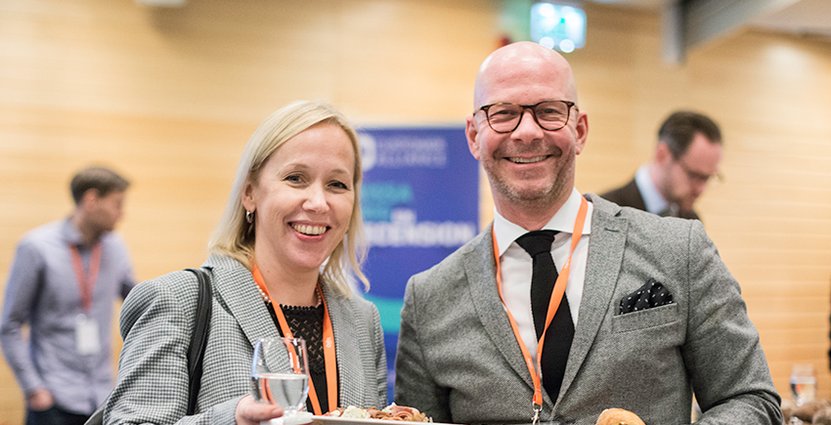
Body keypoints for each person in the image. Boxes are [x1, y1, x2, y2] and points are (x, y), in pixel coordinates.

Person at [394, 42, 781, 424]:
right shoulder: (429, 299)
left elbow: (751, 398)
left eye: (549, 111)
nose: (527, 131)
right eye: (503, 113)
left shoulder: (680, 250)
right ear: (474, 136)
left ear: (579, 130)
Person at [101, 100, 387, 424]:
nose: (319, 203)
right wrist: (230, 420)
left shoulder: (362, 321)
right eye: (296, 178)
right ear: (250, 192)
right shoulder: (176, 301)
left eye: (337, 184)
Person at [1, 166, 134, 425]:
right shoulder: (36, 247)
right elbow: (9, 325)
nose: (121, 214)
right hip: (53, 400)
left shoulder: (115, 247)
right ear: (91, 200)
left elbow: (137, 298)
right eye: (116, 204)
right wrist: (34, 389)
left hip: (102, 398)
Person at [601, 110, 723, 220]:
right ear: (662, 155)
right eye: (694, 175)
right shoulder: (606, 212)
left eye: (707, 178)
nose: (701, 189)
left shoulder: (691, 221)